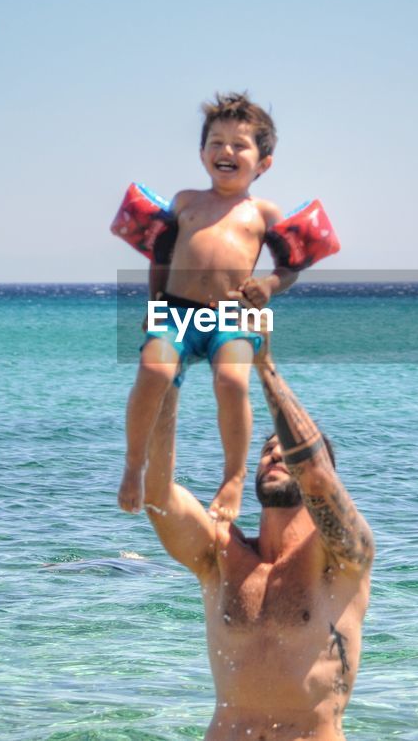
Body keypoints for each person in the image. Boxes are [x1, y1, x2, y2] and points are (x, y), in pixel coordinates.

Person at [142, 335, 373, 740]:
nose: (274, 454)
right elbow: (157, 495)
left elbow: (317, 476)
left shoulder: (342, 560)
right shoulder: (221, 555)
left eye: (287, 449)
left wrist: (264, 367)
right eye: (267, 449)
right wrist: (168, 375)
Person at [119, 92, 298, 522]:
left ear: (264, 163)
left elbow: (290, 266)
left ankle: (233, 478)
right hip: (177, 311)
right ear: (202, 153)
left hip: (232, 315)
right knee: (152, 372)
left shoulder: (264, 213)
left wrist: (270, 286)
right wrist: (153, 304)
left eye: (240, 145)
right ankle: (133, 466)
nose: (226, 151)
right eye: (216, 142)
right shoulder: (185, 202)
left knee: (233, 383)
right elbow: (160, 256)